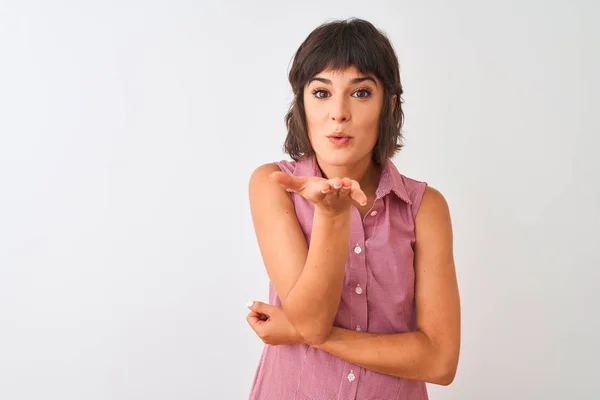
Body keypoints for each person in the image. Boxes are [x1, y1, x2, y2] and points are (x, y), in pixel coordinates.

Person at [245, 18, 460, 400]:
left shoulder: (424, 208)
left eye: (360, 93)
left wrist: (297, 332)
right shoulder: (272, 185)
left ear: (388, 105)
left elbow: (441, 362)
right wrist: (331, 215)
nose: (339, 113)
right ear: (302, 102)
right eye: (321, 92)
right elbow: (312, 319)